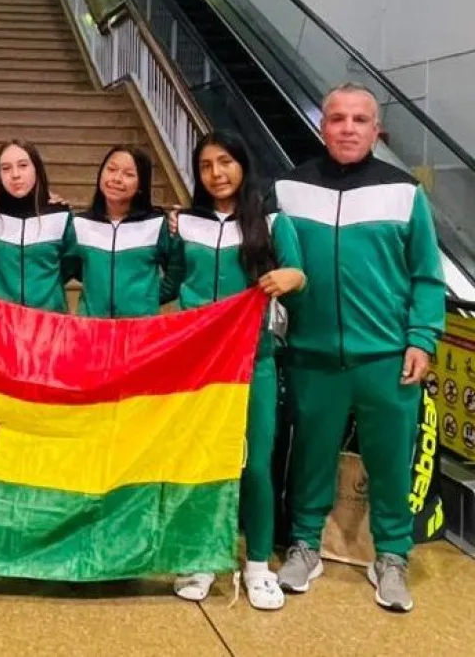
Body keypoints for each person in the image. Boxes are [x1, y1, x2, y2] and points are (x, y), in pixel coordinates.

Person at [273, 83, 445, 612]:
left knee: (392, 462)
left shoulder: (404, 193)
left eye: (360, 120)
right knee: (310, 457)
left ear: (377, 130)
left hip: (386, 357)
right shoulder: (288, 189)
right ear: (322, 125)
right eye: (338, 118)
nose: (348, 128)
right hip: (312, 355)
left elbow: (426, 274)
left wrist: (421, 338)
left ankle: (391, 555)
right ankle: (305, 544)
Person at [164, 131, 305, 611]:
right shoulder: (185, 223)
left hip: (254, 362)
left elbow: (299, 273)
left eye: (225, 162)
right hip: (197, 365)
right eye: (206, 166)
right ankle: (203, 556)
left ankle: (259, 564)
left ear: (242, 165)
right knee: (201, 462)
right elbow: (171, 277)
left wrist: (291, 277)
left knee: (256, 465)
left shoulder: (271, 222)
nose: (216, 173)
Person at [71, 146, 170, 317]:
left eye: (129, 174)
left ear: (141, 185)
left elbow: (177, 270)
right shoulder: (80, 223)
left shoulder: (157, 224)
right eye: (111, 169)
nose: (116, 178)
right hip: (92, 327)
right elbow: (70, 267)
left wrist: (149, 298)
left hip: (139, 329)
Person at [0, 140, 76, 312]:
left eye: (23, 165)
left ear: (36, 169)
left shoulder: (60, 214)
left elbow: (72, 263)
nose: (15, 175)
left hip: (48, 322)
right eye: (6, 168)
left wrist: (46, 292)